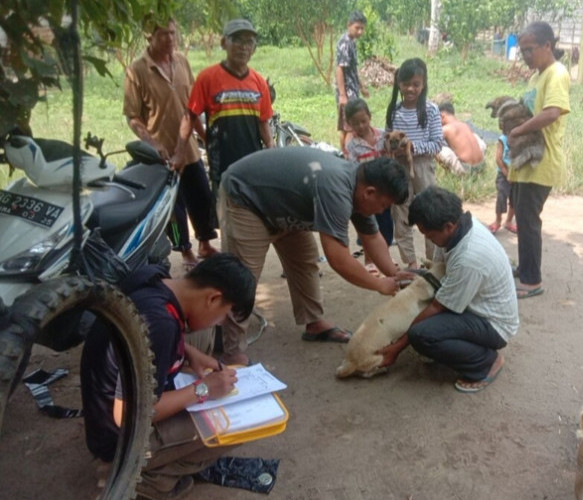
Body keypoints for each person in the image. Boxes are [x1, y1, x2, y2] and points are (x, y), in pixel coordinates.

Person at [80, 253, 256, 500]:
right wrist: (202, 389)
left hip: (103, 408)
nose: (217, 324)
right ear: (213, 298)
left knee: (200, 339)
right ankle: (144, 479)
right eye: (222, 317)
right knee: (242, 424)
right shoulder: (160, 324)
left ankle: (148, 464)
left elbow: (144, 339)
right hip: (120, 439)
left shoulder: (154, 279)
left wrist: (188, 352)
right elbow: (127, 415)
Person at [217, 147, 413, 366]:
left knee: (305, 262)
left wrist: (395, 274)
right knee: (243, 277)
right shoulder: (337, 189)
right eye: (384, 206)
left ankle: (314, 323)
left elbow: (373, 238)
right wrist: (379, 284)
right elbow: (338, 257)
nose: (380, 212)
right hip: (246, 198)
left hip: (284, 205)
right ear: (369, 192)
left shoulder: (360, 189)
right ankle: (232, 351)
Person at [378, 186, 519, 393]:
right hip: (476, 307)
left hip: (494, 325)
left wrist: (397, 347)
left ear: (449, 226)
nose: (429, 239)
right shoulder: (459, 228)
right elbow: (439, 272)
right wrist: (417, 275)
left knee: (421, 335)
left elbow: (437, 306)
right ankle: (460, 349)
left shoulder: (469, 257)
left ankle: (486, 363)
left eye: (430, 235)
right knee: (421, 313)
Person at [123, 17, 218, 266]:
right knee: (173, 214)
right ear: (149, 36)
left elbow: (194, 107)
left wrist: (206, 137)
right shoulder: (137, 71)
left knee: (202, 199)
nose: (170, 39)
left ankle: (205, 245)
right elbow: (132, 117)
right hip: (161, 158)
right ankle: (184, 251)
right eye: (163, 34)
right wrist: (153, 145)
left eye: (173, 33)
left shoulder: (183, 62)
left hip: (189, 150)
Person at [171, 18, 273, 199]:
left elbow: (263, 123)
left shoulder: (259, 82)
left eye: (248, 42)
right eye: (237, 40)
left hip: (253, 163)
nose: (243, 47)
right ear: (224, 43)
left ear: (254, 48)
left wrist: (273, 150)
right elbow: (190, 117)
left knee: (253, 217)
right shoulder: (207, 78)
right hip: (222, 164)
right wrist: (179, 154)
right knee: (225, 215)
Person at [508, 21, 570, 299]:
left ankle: (533, 282)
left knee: (529, 221)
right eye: (522, 50)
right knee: (522, 217)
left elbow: (552, 112)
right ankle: (525, 268)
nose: (525, 56)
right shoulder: (536, 76)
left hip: (541, 161)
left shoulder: (556, 73)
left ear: (548, 45)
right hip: (524, 162)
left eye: (530, 49)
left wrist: (519, 129)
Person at [385, 58, 444, 269]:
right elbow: (387, 136)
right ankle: (411, 263)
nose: (410, 88)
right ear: (398, 83)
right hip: (398, 167)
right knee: (400, 211)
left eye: (416, 84)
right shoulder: (394, 110)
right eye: (406, 83)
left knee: (431, 212)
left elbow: (437, 143)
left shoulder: (431, 110)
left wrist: (412, 148)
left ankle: (434, 261)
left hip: (422, 167)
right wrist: (392, 149)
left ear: (424, 84)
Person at [344, 97, 394, 276]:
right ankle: (369, 261)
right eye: (356, 123)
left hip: (385, 191)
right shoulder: (352, 146)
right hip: (368, 194)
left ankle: (384, 258)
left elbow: (391, 154)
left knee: (387, 226)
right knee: (368, 228)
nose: (361, 126)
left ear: (370, 117)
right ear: (349, 124)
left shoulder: (382, 136)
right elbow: (352, 169)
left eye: (364, 121)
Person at [335, 10, 370, 150]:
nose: (360, 31)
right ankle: (347, 155)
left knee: (348, 125)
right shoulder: (344, 43)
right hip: (347, 92)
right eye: (357, 28)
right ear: (349, 25)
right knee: (349, 127)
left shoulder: (352, 42)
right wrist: (343, 95)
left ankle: (346, 154)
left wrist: (361, 86)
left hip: (353, 89)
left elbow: (353, 69)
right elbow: (340, 69)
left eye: (362, 28)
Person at [435, 101, 487, 175]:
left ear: (441, 116)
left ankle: (449, 174)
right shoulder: (464, 125)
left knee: (435, 147)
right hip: (481, 166)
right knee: (475, 136)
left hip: (466, 169)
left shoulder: (445, 129)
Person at [488, 129, 517, 234]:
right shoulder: (502, 139)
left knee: (515, 199)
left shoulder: (520, 139)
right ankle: (498, 220)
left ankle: (508, 221)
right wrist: (506, 173)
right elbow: (498, 159)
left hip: (517, 174)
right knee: (501, 197)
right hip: (503, 174)